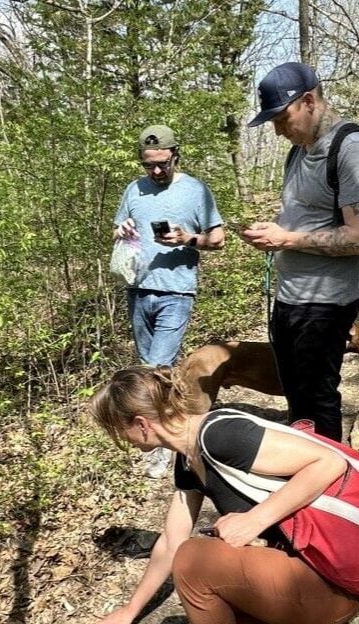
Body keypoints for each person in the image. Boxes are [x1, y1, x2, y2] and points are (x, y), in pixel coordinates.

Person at [88, 366, 359, 624]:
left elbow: (329, 462)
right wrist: (130, 610)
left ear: (141, 423)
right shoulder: (188, 459)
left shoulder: (220, 434)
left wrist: (254, 521)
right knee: (209, 615)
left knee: (195, 561)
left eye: (120, 432)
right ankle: (336, 622)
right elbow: (170, 540)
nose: (124, 442)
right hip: (306, 575)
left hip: (327, 577)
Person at [242, 63, 359, 442]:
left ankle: (333, 483)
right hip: (290, 297)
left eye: (282, 117)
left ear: (309, 101)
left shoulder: (351, 147)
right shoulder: (299, 152)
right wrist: (270, 234)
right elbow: (304, 216)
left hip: (325, 303)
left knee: (319, 400)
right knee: (297, 398)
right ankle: (305, 475)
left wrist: (285, 239)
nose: (276, 129)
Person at [113, 124, 226, 478]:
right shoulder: (134, 189)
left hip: (176, 290)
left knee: (157, 367)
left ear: (175, 155)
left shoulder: (195, 191)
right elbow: (119, 226)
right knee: (147, 365)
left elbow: (219, 239)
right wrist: (122, 230)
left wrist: (188, 239)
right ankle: (164, 428)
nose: (157, 171)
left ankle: (163, 444)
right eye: (150, 165)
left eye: (163, 163)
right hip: (137, 287)